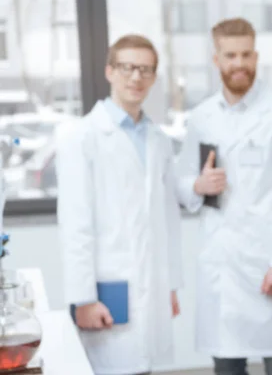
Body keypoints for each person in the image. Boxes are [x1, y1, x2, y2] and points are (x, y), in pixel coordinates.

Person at [176, 18, 272, 375]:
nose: (240, 63)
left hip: (266, 260)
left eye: (246, 54)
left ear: (256, 56)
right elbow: (181, 179)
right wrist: (198, 186)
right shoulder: (202, 116)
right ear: (216, 59)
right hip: (220, 264)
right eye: (230, 55)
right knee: (227, 364)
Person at [56, 34, 183, 375]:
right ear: (109, 71)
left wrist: (169, 285)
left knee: (142, 368)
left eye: (145, 69)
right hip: (104, 290)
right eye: (127, 67)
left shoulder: (158, 140)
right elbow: (74, 224)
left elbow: (166, 219)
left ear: (154, 77)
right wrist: (82, 298)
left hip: (150, 287)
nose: (136, 77)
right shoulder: (81, 137)